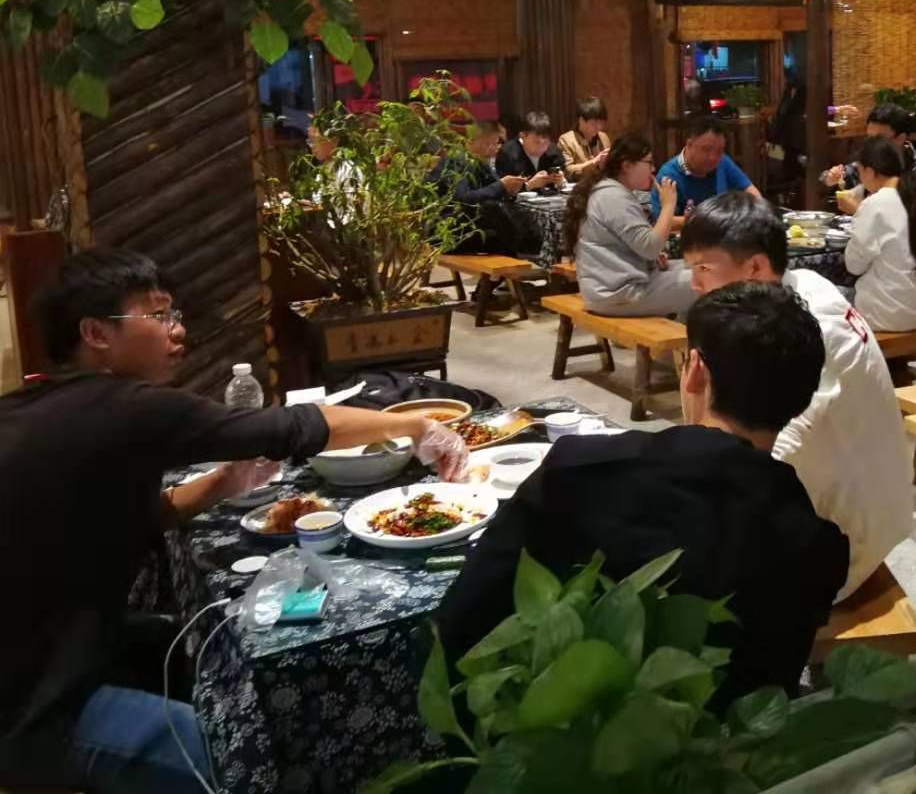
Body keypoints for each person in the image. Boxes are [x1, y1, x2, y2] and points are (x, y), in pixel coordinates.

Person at [0, 251, 468, 792]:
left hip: (61, 650)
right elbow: (292, 426)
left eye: (175, 314)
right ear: (96, 333)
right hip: (35, 709)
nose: (177, 330)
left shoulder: (43, 404)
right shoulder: (120, 407)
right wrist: (415, 425)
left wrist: (224, 483)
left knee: (208, 654)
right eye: (157, 315)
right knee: (243, 767)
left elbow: (144, 517)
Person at [434, 281, 848, 709]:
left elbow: (464, 621)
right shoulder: (818, 544)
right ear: (802, 400)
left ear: (695, 371)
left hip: (557, 728)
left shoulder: (577, 471)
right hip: (727, 746)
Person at [679, 194, 913, 600]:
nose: (694, 284)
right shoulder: (798, 289)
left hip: (847, 536)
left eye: (703, 268)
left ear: (755, 267)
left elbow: (778, 449)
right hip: (849, 499)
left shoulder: (807, 328)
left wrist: (697, 429)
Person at [565, 133, 695, 317]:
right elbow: (651, 247)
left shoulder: (609, 191)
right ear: (626, 166)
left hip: (611, 289)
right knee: (710, 279)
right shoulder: (612, 197)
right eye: (649, 162)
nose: (653, 168)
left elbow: (638, 247)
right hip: (618, 294)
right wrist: (668, 205)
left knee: (699, 266)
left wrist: (648, 257)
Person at [843, 137, 916, 332]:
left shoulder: (874, 204)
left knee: (824, 297)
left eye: (860, 171)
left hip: (888, 315)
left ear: (870, 171)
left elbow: (853, 265)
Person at [429, 120, 533, 256]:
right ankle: (518, 258)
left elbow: (495, 189)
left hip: (473, 224)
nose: (492, 148)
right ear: (469, 141)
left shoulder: (481, 162)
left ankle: (520, 256)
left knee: (510, 222)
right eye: (486, 143)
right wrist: (501, 186)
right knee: (494, 213)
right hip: (448, 231)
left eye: (495, 143)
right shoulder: (455, 161)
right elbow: (463, 199)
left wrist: (511, 189)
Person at [823, 103, 916, 214]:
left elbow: (911, 219)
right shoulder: (870, 161)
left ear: (901, 138)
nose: (872, 145)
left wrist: (858, 210)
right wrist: (831, 178)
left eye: (879, 139)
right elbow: (832, 177)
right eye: (870, 138)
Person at [651, 115, 762, 218]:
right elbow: (662, 221)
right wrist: (709, 220)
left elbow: (750, 190)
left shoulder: (722, 161)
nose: (713, 157)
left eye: (719, 151)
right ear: (689, 144)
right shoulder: (669, 175)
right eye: (706, 149)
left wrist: (761, 211)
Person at [494, 111, 566, 188]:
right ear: (522, 136)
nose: (541, 146)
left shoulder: (554, 152)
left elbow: (559, 182)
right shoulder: (507, 153)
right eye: (536, 142)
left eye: (545, 141)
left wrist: (560, 181)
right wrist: (529, 185)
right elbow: (502, 188)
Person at [557, 97, 612, 180]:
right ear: (581, 120)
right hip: (579, 185)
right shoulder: (566, 140)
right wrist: (593, 162)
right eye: (594, 123)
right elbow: (567, 171)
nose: (599, 127)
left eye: (601, 123)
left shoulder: (603, 137)